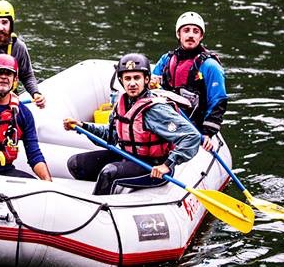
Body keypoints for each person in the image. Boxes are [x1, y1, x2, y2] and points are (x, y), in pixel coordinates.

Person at [63, 53, 200, 196]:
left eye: (137, 78)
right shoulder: (122, 104)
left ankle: (99, 204)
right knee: (76, 164)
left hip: (153, 167)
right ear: (121, 80)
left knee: (109, 173)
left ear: (146, 79)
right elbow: (112, 135)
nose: (132, 83)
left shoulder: (156, 109)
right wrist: (83, 126)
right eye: (127, 78)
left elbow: (192, 136)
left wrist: (167, 164)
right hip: (128, 157)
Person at [152, 12, 227, 151]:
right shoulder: (166, 60)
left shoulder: (210, 66)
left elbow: (218, 101)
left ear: (201, 36)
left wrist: (207, 133)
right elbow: (151, 87)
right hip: (168, 121)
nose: (191, 35)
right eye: (186, 30)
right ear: (178, 34)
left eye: (195, 31)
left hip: (194, 126)